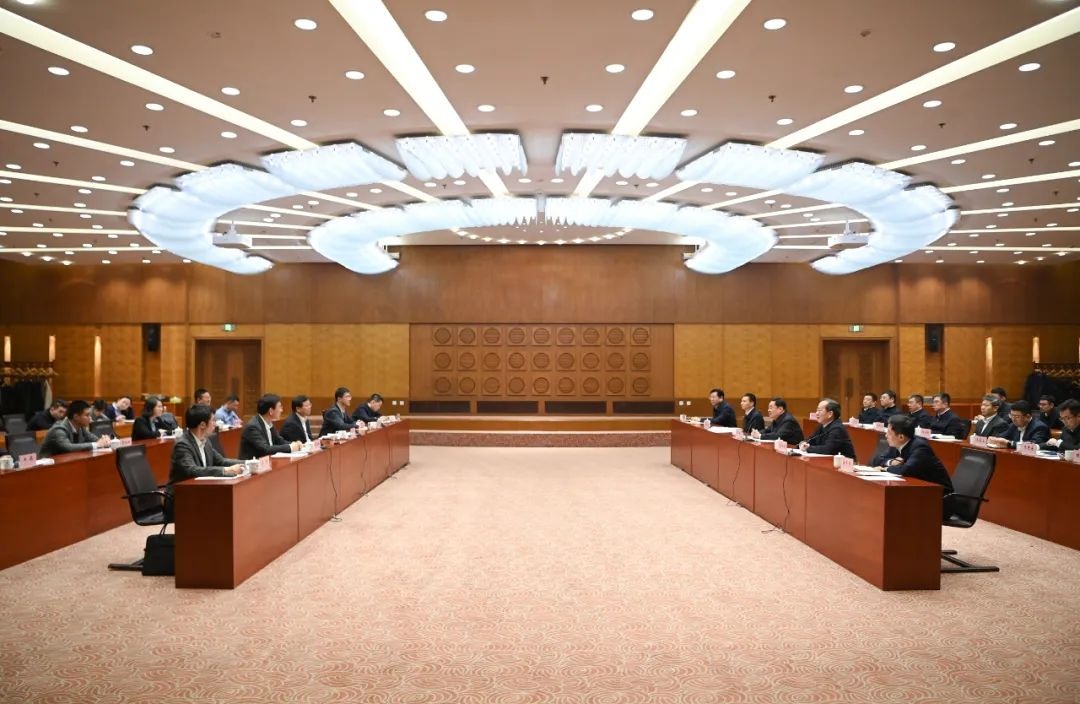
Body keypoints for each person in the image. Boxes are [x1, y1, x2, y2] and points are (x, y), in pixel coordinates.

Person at [872, 415, 954, 506]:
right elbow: (876, 460)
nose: (886, 435)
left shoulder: (920, 447)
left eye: (889, 432)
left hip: (939, 497)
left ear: (901, 437)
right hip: (918, 492)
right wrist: (891, 462)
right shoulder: (897, 444)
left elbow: (906, 470)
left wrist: (885, 469)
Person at [168, 404, 244, 492]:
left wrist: (248, 463)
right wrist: (226, 470)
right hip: (182, 494)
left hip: (201, 490)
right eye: (213, 420)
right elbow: (191, 470)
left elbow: (221, 461)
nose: (215, 424)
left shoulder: (206, 441)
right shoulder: (182, 444)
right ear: (202, 425)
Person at [38, 400, 111, 458]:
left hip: (67, 462)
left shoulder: (81, 427)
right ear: (76, 417)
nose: (90, 418)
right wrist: (97, 444)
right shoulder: (59, 429)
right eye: (87, 415)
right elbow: (69, 447)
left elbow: (94, 439)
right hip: (46, 468)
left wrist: (104, 440)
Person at [238, 393, 301, 460]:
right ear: (271, 411)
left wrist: (295, 444)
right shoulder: (253, 427)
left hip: (266, 461)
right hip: (252, 464)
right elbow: (265, 449)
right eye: (280, 407)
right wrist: (290, 447)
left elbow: (279, 441)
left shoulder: (269, 423)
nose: (281, 410)